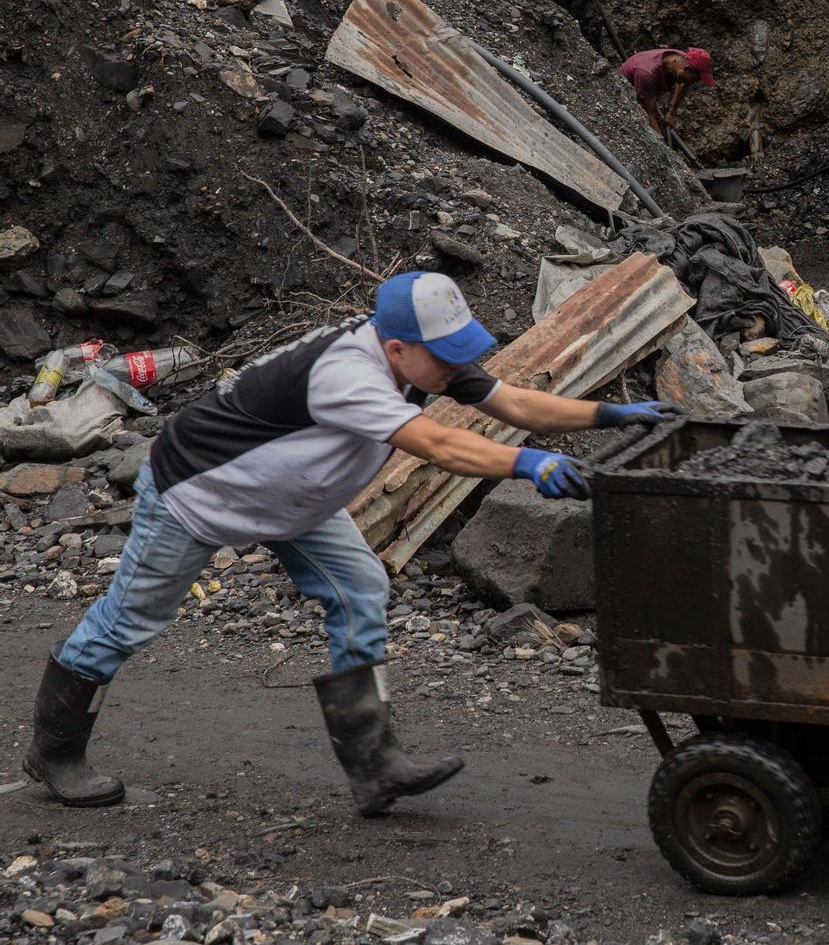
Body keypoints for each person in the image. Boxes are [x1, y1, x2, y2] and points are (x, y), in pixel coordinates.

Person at [21, 272, 676, 815]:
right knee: (130, 621)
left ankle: (375, 767)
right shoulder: (346, 374)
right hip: (198, 496)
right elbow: (439, 445)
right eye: (444, 354)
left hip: (293, 500)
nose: (457, 364)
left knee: (359, 586)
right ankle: (54, 753)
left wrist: (609, 414)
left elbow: (517, 404)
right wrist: (528, 465)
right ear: (396, 348)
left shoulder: (425, 363)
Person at [620, 46, 716, 138]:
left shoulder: (680, 58)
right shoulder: (647, 74)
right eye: (693, 80)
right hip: (625, 98)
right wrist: (665, 147)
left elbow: (684, 84)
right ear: (687, 69)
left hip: (647, 90)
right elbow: (649, 114)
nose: (692, 83)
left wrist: (672, 112)